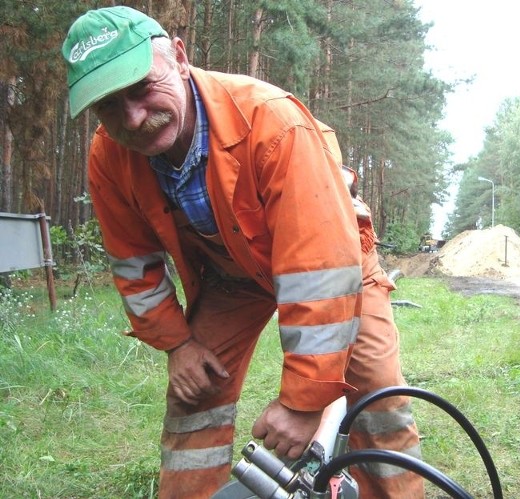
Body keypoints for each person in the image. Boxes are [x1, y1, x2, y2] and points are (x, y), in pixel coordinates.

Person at [62, 6, 424, 498]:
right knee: (195, 392)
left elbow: (319, 269)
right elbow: (135, 265)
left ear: (181, 58)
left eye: (142, 88)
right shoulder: (109, 156)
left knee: (376, 395)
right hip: (232, 275)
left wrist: (303, 401)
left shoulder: (272, 122)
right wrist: (178, 345)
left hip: (337, 265)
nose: (134, 119)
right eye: (108, 105)